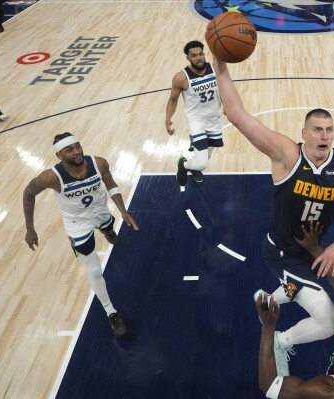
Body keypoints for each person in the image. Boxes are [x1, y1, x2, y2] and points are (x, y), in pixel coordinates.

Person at [214, 57, 334, 374]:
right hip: (282, 251)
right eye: (317, 130)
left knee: (309, 287)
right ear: (304, 133)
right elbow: (237, 115)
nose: (325, 136)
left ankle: (268, 298)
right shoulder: (286, 155)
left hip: (312, 248)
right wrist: (221, 68)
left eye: (330, 130)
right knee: (330, 321)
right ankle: (282, 341)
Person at [22, 132, 139, 337]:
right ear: (59, 155)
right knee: (94, 270)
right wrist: (30, 229)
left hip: (100, 210)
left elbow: (111, 185)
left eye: (78, 146)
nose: (77, 151)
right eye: (70, 149)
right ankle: (111, 312)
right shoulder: (50, 177)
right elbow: (28, 194)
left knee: (108, 226)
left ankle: (108, 231)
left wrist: (123, 210)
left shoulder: (99, 163)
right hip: (77, 223)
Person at [256, 222, 334, 398]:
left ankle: (278, 337)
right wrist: (315, 249)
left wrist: (268, 327)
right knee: (330, 322)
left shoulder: (330, 392)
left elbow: (269, 386)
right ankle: (283, 341)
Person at [165, 40, 224, 187]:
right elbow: (173, 100)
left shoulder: (214, 69)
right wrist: (168, 121)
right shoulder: (181, 78)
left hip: (213, 119)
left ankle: (193, 165)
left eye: (201, 54)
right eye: (194, 55)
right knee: (202, 163)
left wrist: (227, 106)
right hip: (196, 121)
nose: (199, 58)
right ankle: (184, 165)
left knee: (206, 157)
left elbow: (222, 89)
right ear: (188, 58)